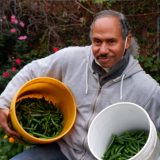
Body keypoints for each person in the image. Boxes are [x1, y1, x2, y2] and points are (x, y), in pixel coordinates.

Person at [0, 9, 160, 160]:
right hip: (61, 152)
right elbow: (32, 71)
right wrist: (4, 104)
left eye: (111, 42)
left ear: (127, 41)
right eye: (97, 41)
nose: (103, 50)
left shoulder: (146, 89)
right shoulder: (72, 58)